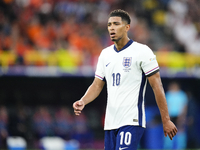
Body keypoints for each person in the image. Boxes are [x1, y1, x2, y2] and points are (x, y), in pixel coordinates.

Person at [73, 9, 177, 150]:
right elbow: (97, 85)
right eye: (109, 25)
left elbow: (157, 86)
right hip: (110, 123)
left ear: (127, 27)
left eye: (116, 24)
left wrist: (166, 120)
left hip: (131, 120)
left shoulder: (142, 51)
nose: (111, 28)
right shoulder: (105, 54)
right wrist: (83, 100)